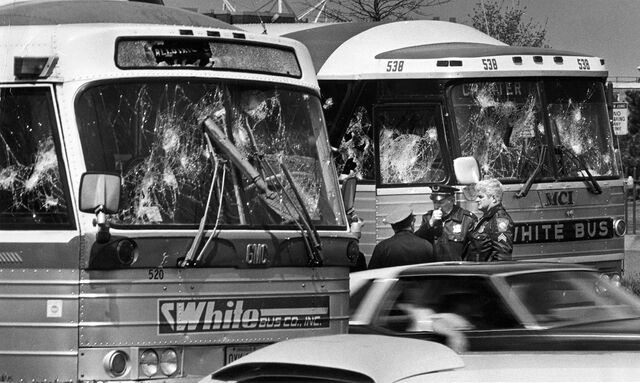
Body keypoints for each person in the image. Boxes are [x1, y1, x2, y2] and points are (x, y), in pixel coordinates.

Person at [415, 184, 477, 261]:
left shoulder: (466, 219)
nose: (436, 206)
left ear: (451, 200)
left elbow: (474, 251)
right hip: (434, 268)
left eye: (440, 202)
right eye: (434, 202)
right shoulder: (428, 218)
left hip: (457, 269)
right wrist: (430, 223)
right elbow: (417, 241)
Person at [368, 206, 436, 269]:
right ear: (412, 223)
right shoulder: (427, 246)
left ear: (393, 227)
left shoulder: (382, 247)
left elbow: (372, 274)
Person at [464, 178, 515, 262]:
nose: (477, 200)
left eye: (480, 197)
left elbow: (502, 257)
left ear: (494, 198)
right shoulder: (487, 218)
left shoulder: (500, 221)